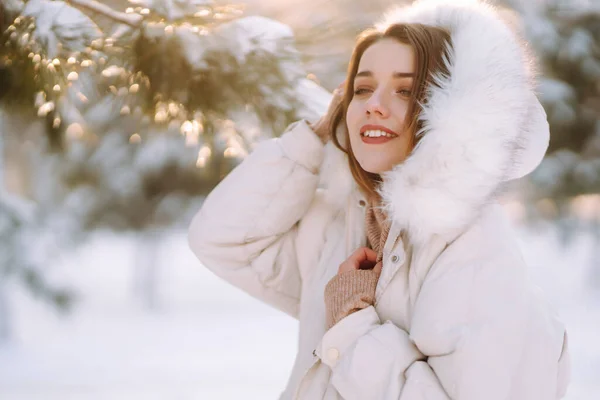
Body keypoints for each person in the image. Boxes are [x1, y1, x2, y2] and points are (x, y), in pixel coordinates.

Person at [188, 0, 571, 399]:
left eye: (405, 90)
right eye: (362, 89)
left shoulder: (472, 250)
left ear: (452, 115)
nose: (373, 104)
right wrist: (314, 137)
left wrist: (353, 326)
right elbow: (221, 239)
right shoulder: (343, 222)